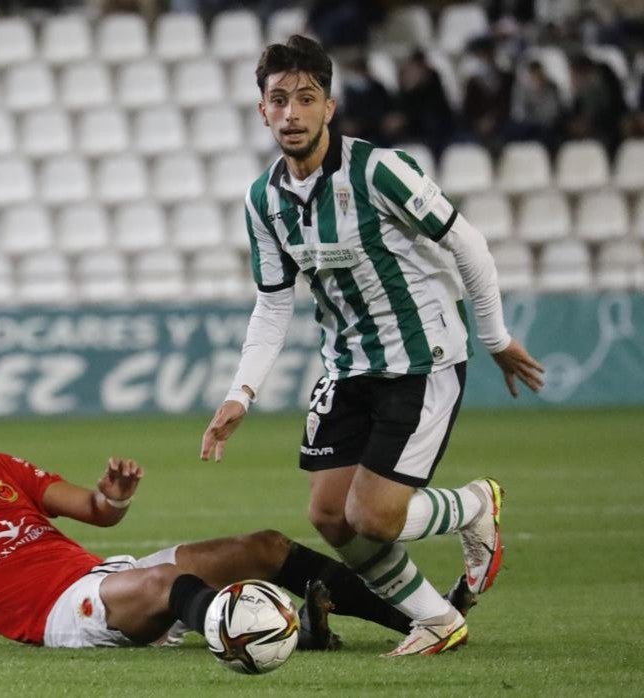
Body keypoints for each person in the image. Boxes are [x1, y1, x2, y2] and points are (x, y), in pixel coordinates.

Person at [199, 36, 545, 657]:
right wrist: (240, 393)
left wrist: (493, 336)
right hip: (347, 365)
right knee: (331, 516)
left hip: (422, 360)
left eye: (306, 99)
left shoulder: (378, 171)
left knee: (375, 518)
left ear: (329, 107)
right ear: (262, 111)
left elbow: (468, 245)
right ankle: (437, 619)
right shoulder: (263, 200)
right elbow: (274, 302)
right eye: (279, 100)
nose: (292, 113)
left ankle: (472, 506)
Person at [0, 385, 476, 650]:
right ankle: (252, 635)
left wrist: (114, 496)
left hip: (105, 574)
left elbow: (98, 514)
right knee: (164, 586)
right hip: (64, 617)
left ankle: (419, 619)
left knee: (263, 546)